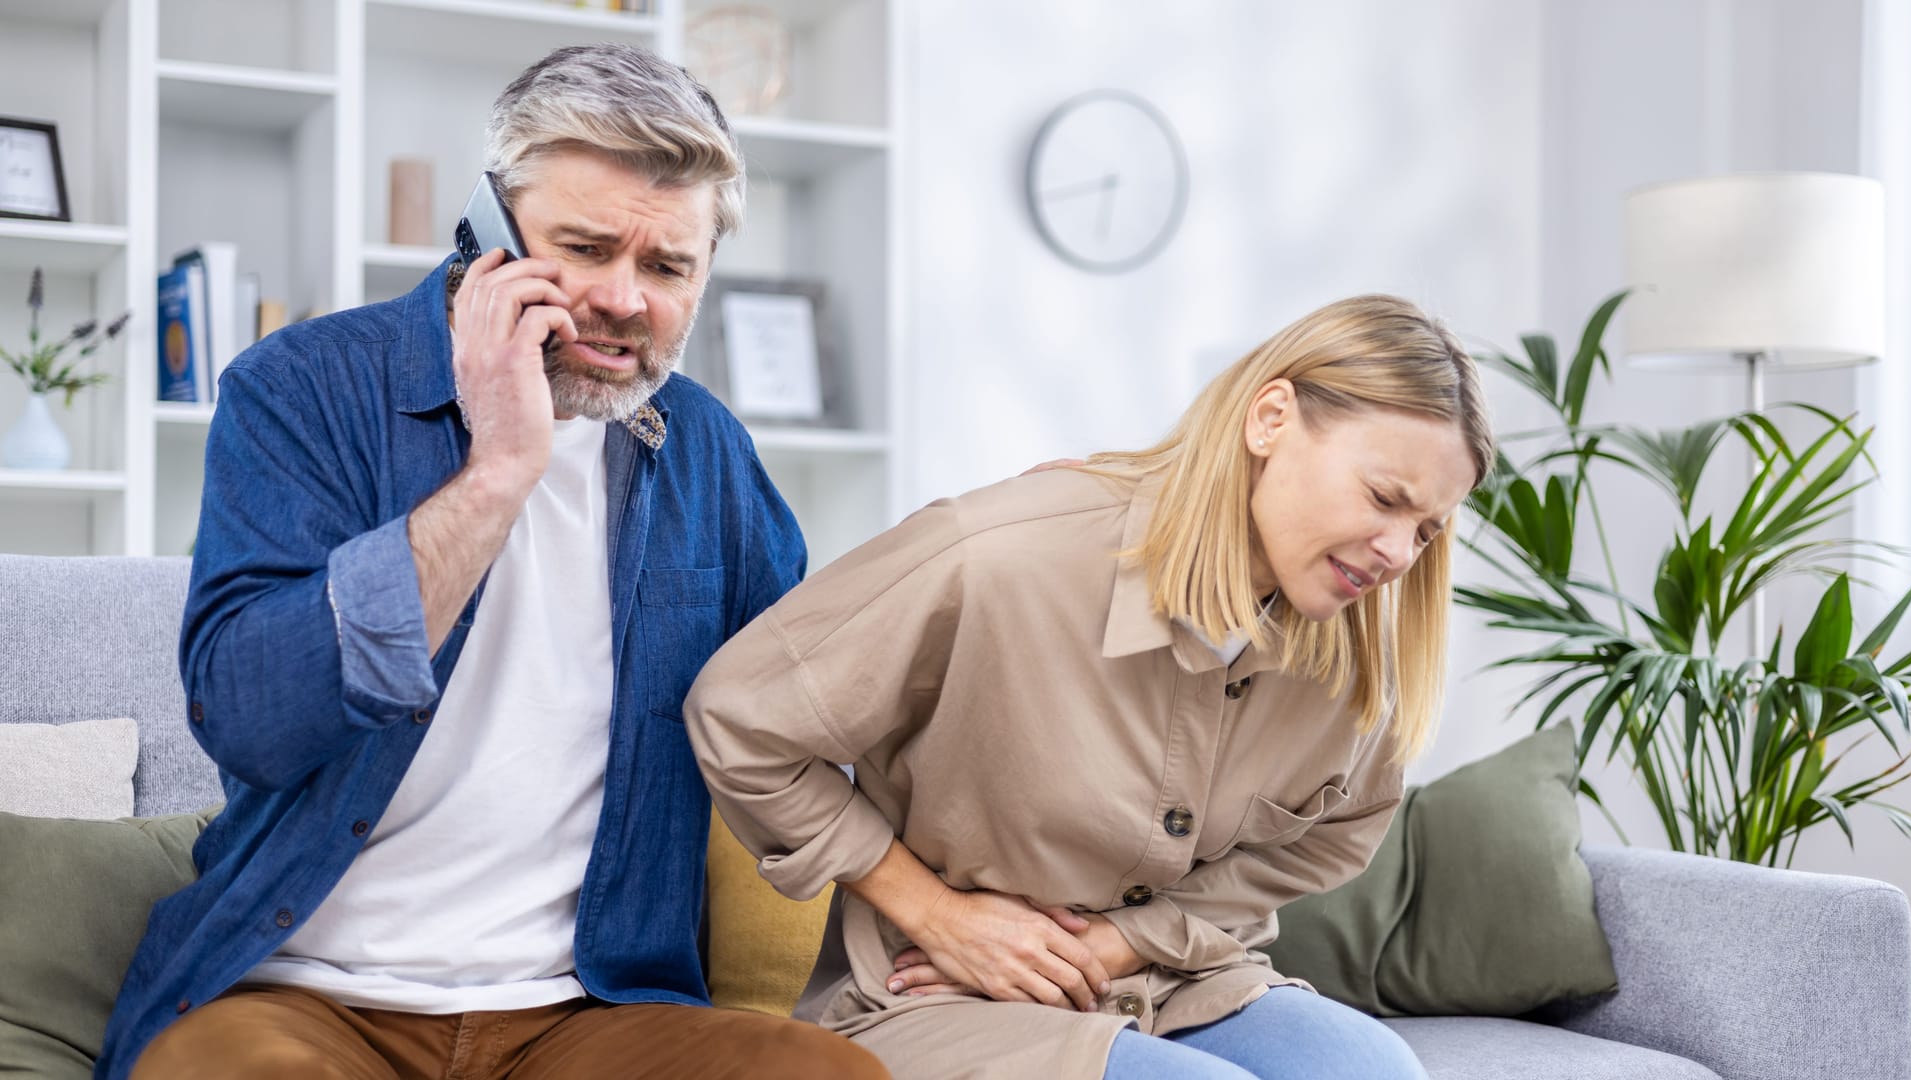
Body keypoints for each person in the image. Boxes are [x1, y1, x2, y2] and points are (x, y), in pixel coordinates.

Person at [97, 44, 887, 1080]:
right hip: (299, 994)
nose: (623, 299)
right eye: (586, 247)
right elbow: (250, 714)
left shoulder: (704, 451)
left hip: (589, 1011)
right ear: (488, 232)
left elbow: (808, 715)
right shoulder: (305, 388)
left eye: (666, 267)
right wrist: (501, 470)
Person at [685, 294, 1493, 1080]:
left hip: (1173, 981)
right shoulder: (999, 555)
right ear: (1270, 419)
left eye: (1426, 529)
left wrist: (1130, 940)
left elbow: (1335, 835)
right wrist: (938, 915)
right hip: (937, 997)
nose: (1397, 552)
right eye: (1384, 498)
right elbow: (741, 718)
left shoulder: (1350, 650)